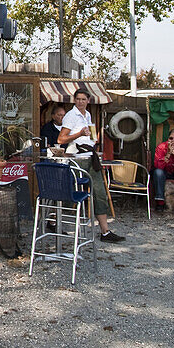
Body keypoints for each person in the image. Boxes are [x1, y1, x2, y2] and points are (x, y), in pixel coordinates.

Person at [59, 88, 124, 243]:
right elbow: (61, 139)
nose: (80, 102)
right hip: (77, 158)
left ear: (88, 100)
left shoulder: (87, 115)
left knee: (99, 192)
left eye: (83, 99)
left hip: (89, 156)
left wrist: (93, 138)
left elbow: (89, 135)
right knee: (70, 193)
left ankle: (105, 231)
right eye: (78, 99)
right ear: (74, 100)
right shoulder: (70, 116)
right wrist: (79, 134)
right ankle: (53, 220)